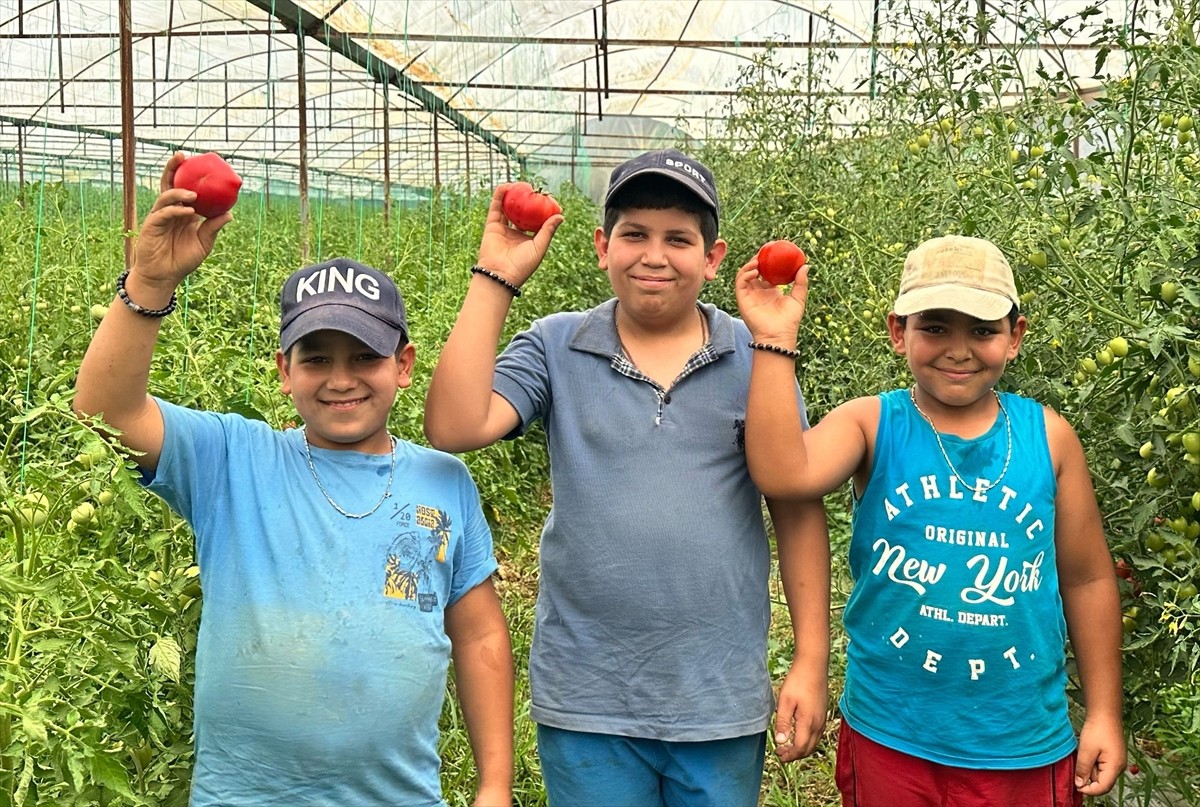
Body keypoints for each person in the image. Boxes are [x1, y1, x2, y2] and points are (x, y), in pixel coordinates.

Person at [73, 153, 514, 807]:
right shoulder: (232, 459)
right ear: (284, 369)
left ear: (404, 366)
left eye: (365, 356)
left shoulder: (441, 481)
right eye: (317, 359)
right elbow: (106, 413)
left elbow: (478, 634)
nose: (341, 378)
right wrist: (149, 284)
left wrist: (495, 786)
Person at [424, 149, 831, 807]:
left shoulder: (755, 358)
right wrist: (495, 276)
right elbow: (454, 424)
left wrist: (810, 659)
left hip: (714, 696)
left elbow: (795, 506)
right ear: (601, 246)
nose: (654, 254)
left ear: (713, 256)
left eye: (678, 238)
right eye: (634, 234)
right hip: (587, 696)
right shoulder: (558, 346)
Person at [735, 234, 1126, 807]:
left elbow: (1088, 579)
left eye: (983, 330)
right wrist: (773, 340)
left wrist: (1104, 713)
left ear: (1015, 337)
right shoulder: (874, 424)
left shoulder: (1049, 438)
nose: (959, 349)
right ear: (899, 332)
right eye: (936, 327)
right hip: (892, 731)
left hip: (1020, 741)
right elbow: (783, 473)